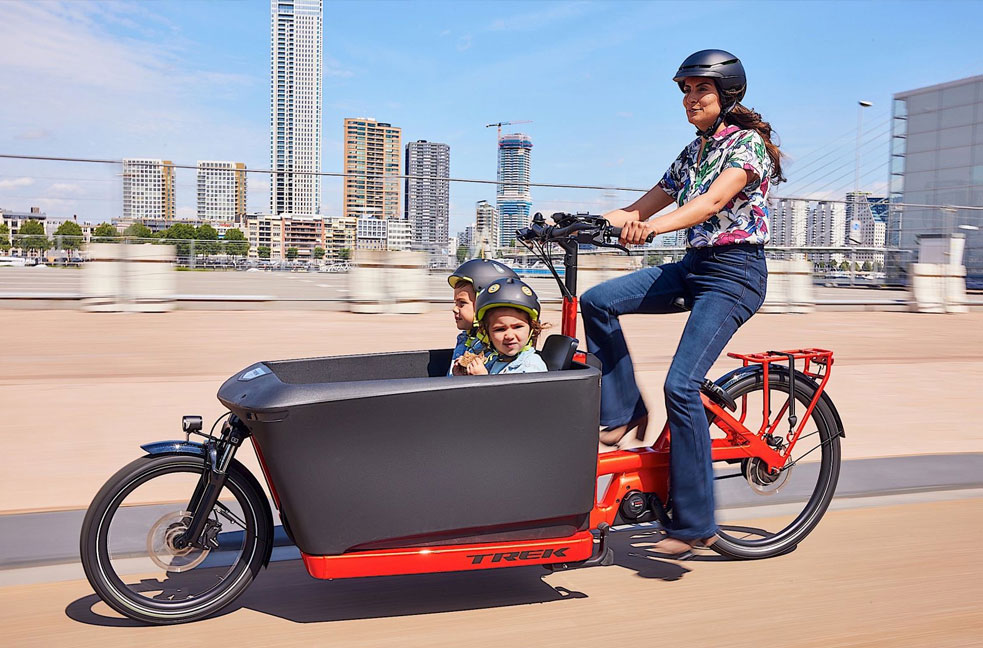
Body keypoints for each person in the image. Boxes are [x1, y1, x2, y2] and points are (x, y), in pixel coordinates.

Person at [579, 49, 783, 555]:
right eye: (686, 90)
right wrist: (577, 224)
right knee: (597, 301)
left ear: (727, 94)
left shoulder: (747, 146)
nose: (691, 98)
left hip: (735, 274)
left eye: (701, 89)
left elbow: (710, 203)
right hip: (694, 267)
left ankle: (695, 524)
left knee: (681, 384)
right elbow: (637, 207)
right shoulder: (692, 152)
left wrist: (652, 229)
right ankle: (625, 413)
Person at [456, 277, 548, 375]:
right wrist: (462, 377)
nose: (509, 336)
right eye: (500, 329)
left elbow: (519, 386)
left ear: (531, 329)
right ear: (487, 334)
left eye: (518, 327)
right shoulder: (494, 360)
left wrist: (483, 379)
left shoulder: (531, 367)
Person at [446, 259, 518, 376]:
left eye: (462, 303)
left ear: (484, 305)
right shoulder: (468, 340)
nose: (455, 309)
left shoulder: (503, 352)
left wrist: (482, 379)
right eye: (455, 303)